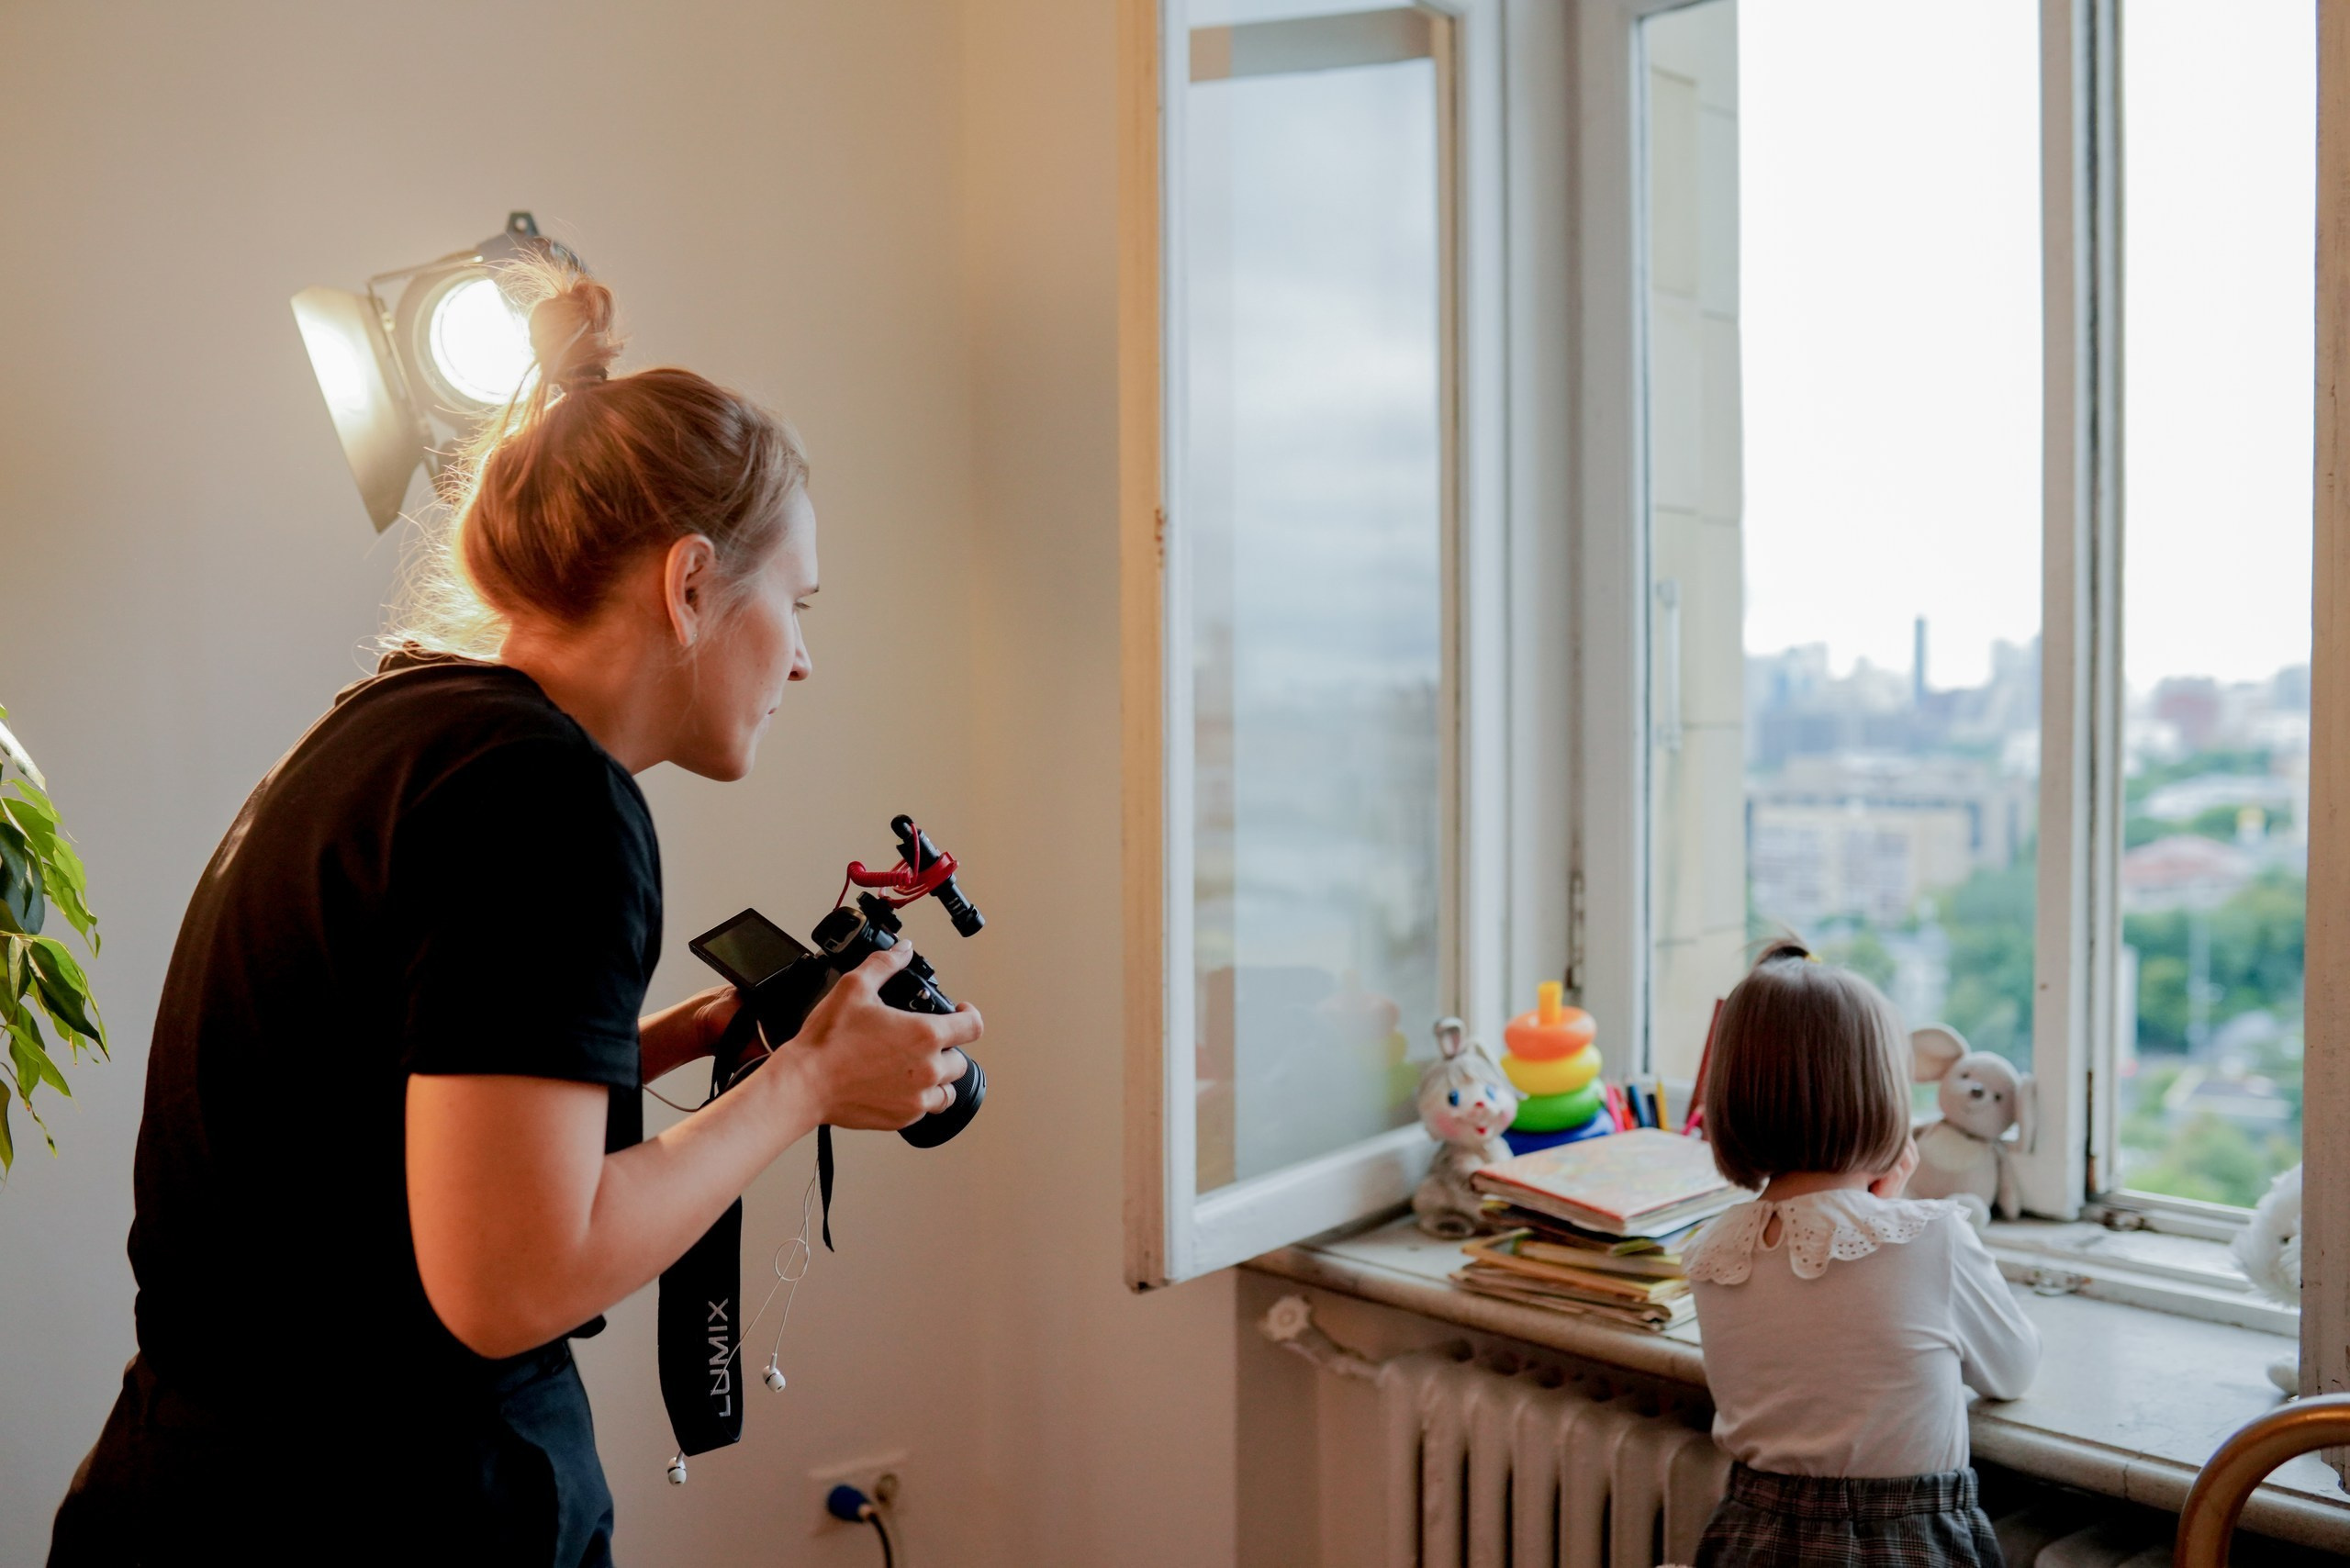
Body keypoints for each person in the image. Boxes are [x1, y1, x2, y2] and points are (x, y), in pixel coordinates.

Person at [48, 267, 980, 1565]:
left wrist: (668, 1039)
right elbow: (514, 1284)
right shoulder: (552, 803)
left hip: (192, 1483)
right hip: (372, 1507)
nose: (807, 659)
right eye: (798, 605)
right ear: (693, 582)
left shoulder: (400, 723)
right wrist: (808, 1084)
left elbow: (387, 1092)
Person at [1683, 941, 2039, 1568]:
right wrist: (1892, 1207)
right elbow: (2012, 1370)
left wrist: (1882, 1206)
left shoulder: (1713, 1255)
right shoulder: (1931, 1237)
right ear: (1880, 1096)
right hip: (1901, 1548)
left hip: (1749, 1540)